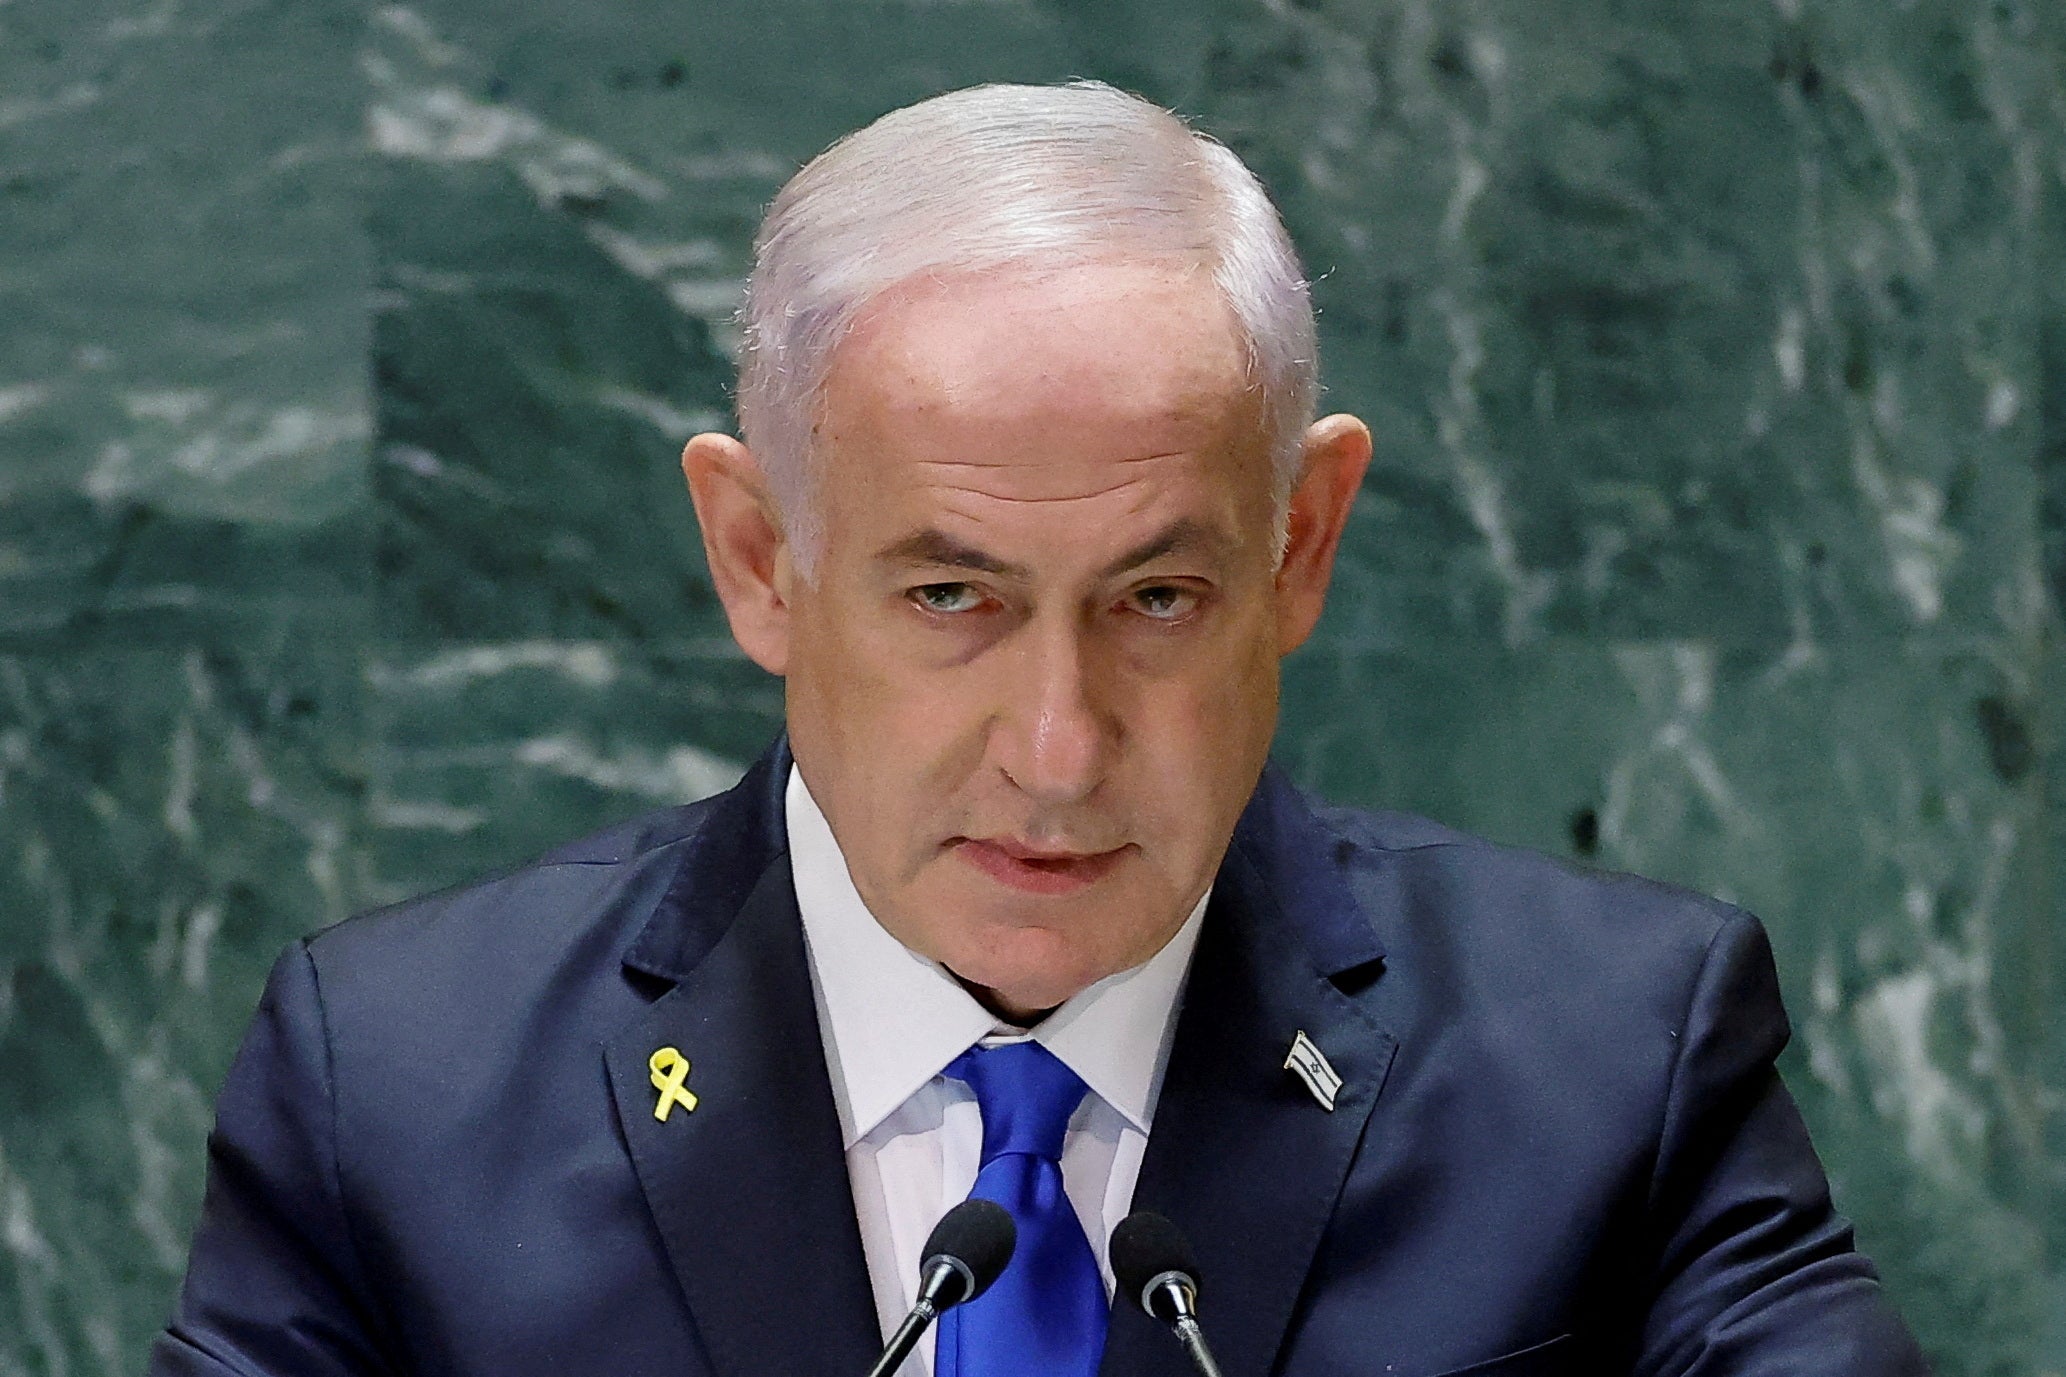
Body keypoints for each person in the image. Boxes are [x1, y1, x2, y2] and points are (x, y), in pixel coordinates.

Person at [151, 82, 1927, 1377]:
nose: (1060, 749)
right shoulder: (393, 1086)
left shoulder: (1615, 1059)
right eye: (951, 599)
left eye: (1156, 598)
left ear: (1298, 546)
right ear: (759, 558)